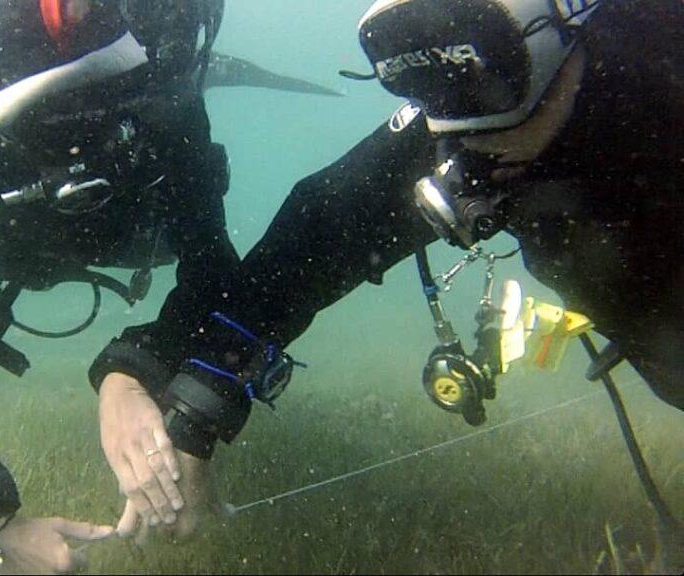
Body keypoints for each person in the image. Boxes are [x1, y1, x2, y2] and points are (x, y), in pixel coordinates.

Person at [90, 0, 684, 540]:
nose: (457, 129)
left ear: (567, 26)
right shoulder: (461, 136)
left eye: (480, 79)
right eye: (425, 88)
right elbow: (313, 238)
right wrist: (191, 413)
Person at [0, 1, 244, 573]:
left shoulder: (164, 89)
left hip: (128, 225)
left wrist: (141, 375)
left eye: (100, 106)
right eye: (46, 120)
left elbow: (216, 272)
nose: (74, 153)